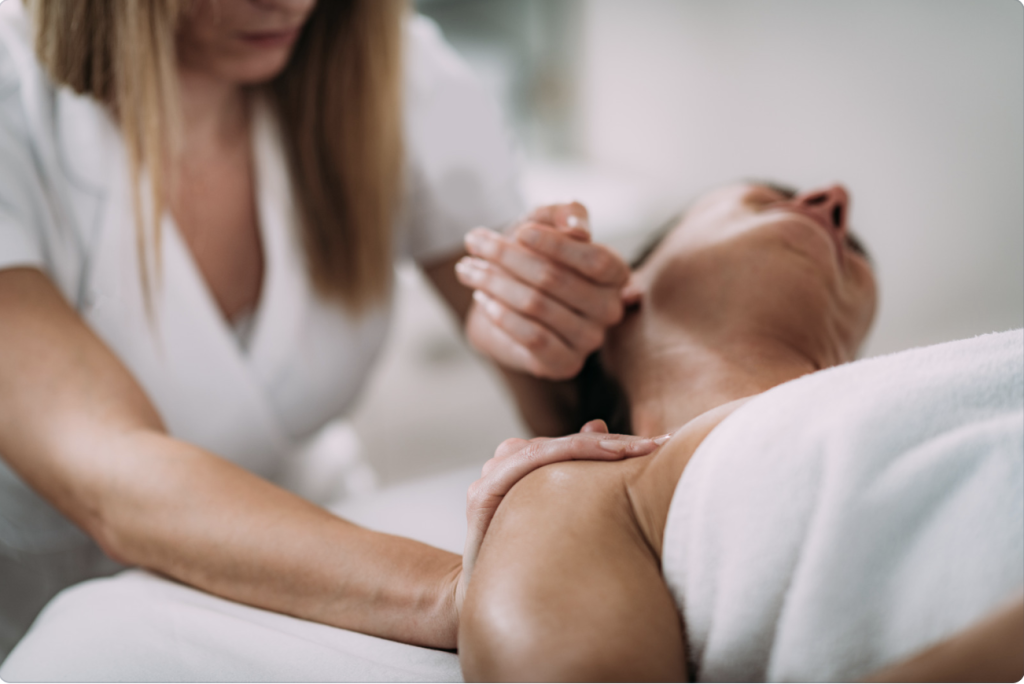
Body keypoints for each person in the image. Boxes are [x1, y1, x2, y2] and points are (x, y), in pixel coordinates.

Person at [0, 0, 647, 658]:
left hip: (317, 554)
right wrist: (461, 594)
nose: (292, 3)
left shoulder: (397, 68)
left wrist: (539, 327)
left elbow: (565, 412)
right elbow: (111, 472)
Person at [458, 182, 1024, 681]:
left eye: (855, 249)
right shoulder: (590, 491)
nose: (835, 197)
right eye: (766, 199)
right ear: (623, 288)